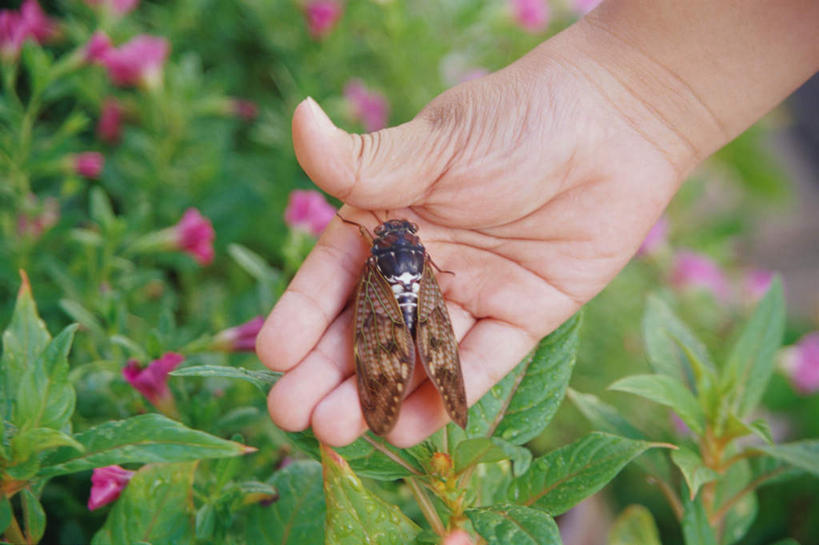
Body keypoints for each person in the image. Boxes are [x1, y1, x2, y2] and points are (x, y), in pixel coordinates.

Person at [256, 0, 819, 447]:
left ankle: (402, 374)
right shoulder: (414, 252)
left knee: (375, 331)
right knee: (415, 338)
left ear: (382, 244)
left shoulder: (376, 248)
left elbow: (372, 283)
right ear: (408, 245)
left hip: (390, 294)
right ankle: (423, 376)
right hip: (418, 292)